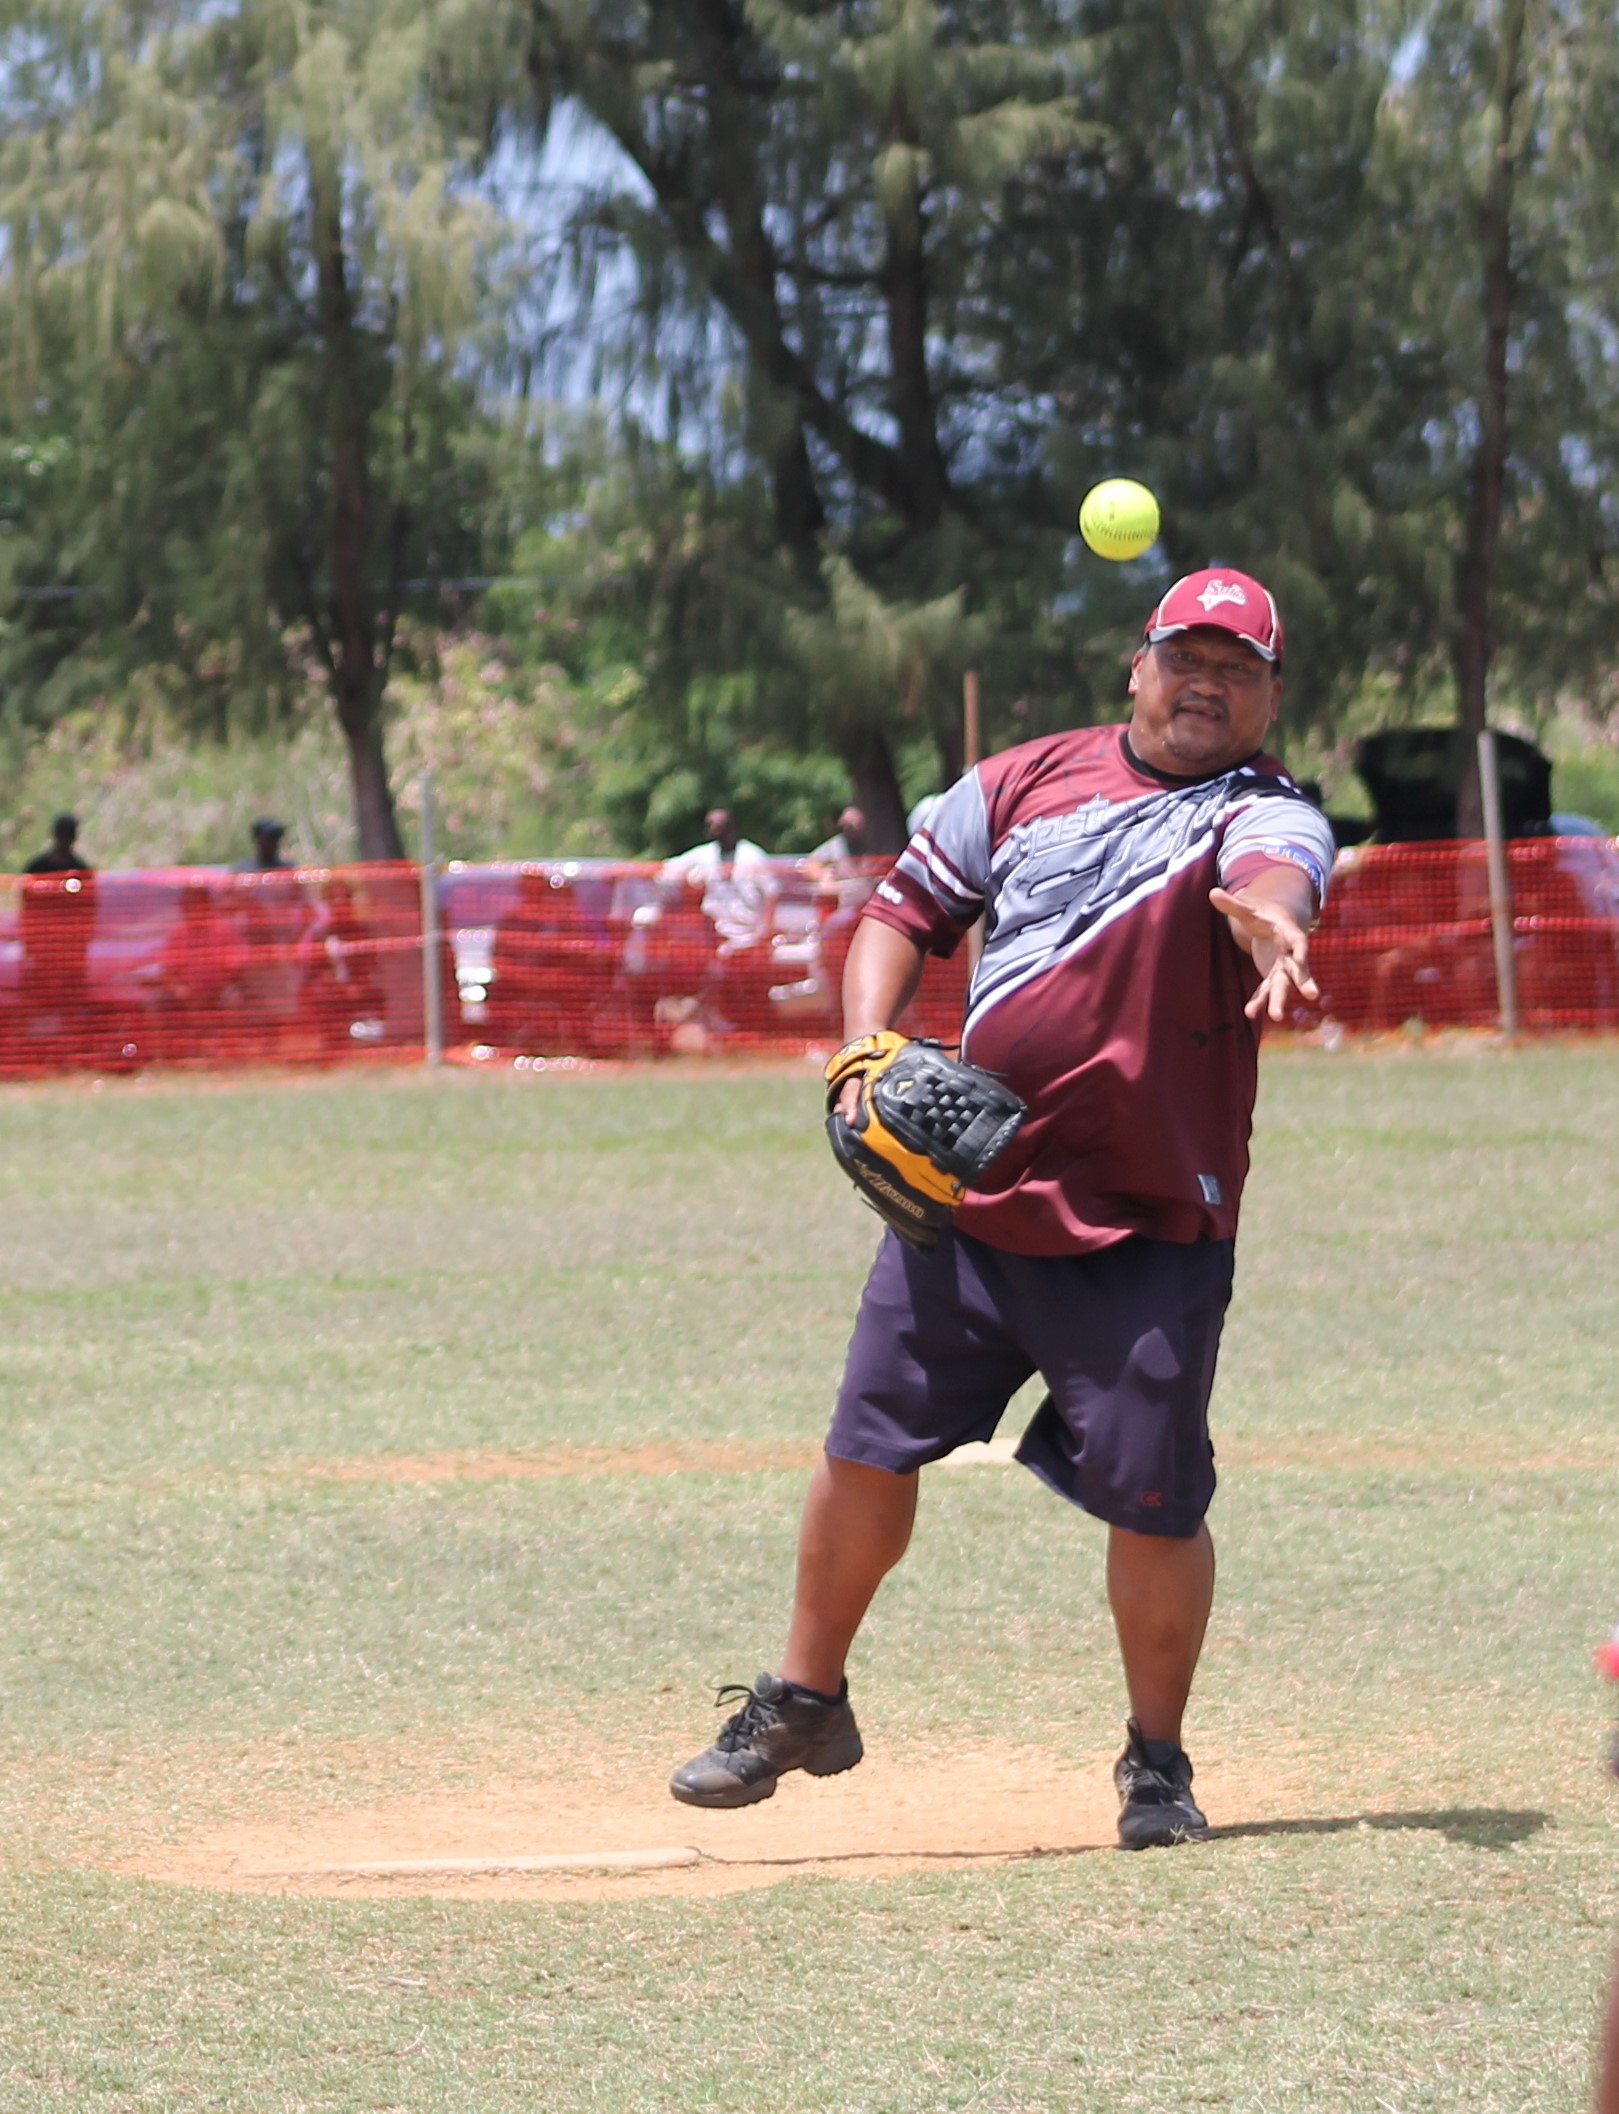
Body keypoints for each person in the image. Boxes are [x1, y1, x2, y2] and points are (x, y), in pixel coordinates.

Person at [668, 566, 1337, 1849]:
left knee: (1152, 1500)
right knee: (864, 1447)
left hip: (1145, 1218)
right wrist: (862, 1047)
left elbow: (1277, 879)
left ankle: (1154, 1763)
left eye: (1237, 667)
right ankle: (805, 1699)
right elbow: (898, 910)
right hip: (966, 1195)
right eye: (1184, 656)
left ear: (1267, 693)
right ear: (1135, 667)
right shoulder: (1018, 781)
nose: (1206, 682)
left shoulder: (1266, 814)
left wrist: (1272, 924)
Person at [24, 812, 92, 876]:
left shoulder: (81, 871)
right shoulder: (37, 867)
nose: (64, 839)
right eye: (61, 834)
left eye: (68, 834)